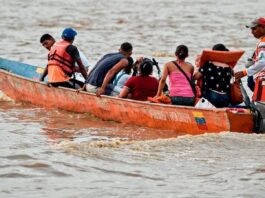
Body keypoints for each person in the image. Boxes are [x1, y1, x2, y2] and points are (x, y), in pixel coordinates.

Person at [235, 17, 265, 101]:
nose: (252, 32)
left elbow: (263, 62)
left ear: (263, 27)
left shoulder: (262, 44)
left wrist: (244, 72)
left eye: (254, 29)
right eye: (251, 29)